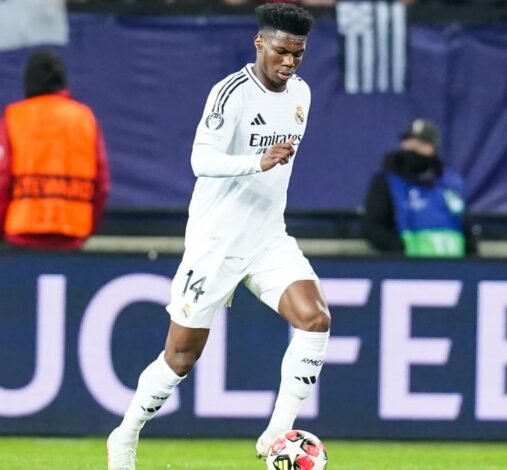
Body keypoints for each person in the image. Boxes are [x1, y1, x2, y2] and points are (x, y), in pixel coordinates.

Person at [106, 4, 330, 469]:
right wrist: (258, 161)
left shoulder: (302, 94)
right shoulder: (230, 94)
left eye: (298, 54)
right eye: (282, 51)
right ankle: (125, 434)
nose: (289, 62)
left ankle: (277, 433)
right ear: (260, 43)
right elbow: (200, 161)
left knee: (315, 319)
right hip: (216, 243)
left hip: (267, 237)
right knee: (180, 358)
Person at [0, 50, 110, 250]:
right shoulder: (85, 118)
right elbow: (101, 184)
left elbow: (2, 178)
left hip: (22, 234)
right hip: (72, 234)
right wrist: (87, 228)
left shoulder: (14, 117)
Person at [363, 118, 476, 257]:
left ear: (433, 147)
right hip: (407, 267)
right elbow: (373, 227)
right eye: (409, 141)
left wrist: (473, 260)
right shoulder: (387, 183)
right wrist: (401, 250)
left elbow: (466, 228)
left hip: (453, 266)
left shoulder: (451, 184)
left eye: (422, 143)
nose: (414, 147)